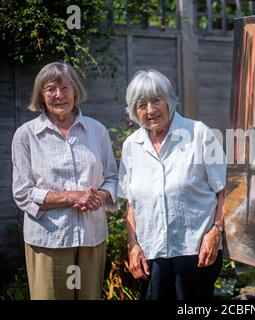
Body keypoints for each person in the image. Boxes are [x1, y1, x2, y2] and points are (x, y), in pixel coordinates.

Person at [11, 62, 118, 299]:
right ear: (41, 94)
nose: (59, 95)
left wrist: (98, 196)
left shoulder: (97, 130)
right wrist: (73, 197)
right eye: (51, 89)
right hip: (49, 240)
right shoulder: (26, 135)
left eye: (65, 87)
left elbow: (112, 177)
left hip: (91, 236)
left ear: (75, 91)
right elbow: (22, 192)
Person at [118, 69, 226, 300]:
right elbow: (131, 203)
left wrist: (216, 230)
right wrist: (133, 246)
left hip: (195, 254)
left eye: (156, 100)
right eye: (141, 104)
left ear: (169, 100)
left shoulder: (199, 134)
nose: (150, 110)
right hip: (152, 256)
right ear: (134, 111)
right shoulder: (131, 146)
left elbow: (225, 190)